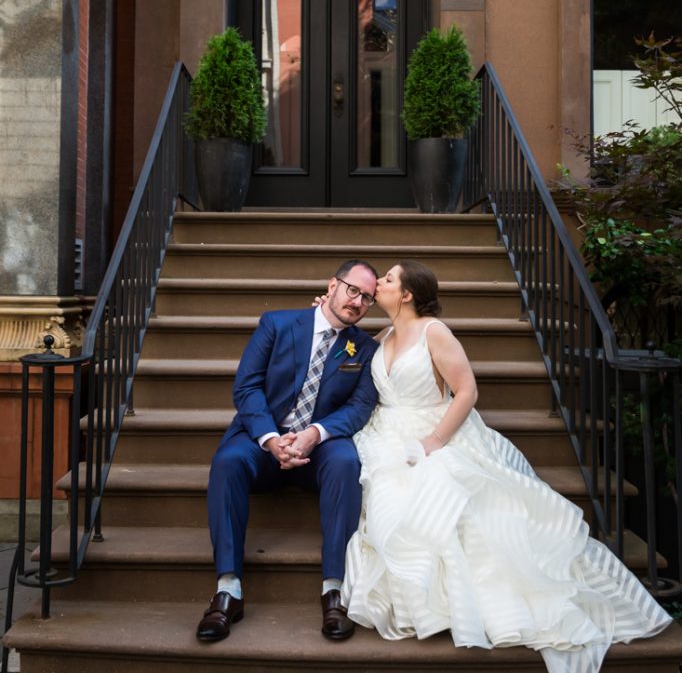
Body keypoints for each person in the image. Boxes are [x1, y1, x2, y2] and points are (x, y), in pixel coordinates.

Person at [341, 260, 672, 673]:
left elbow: (466, 391)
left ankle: (467, 602)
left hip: (434, 430)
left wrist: (434, 442)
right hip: (384, 434)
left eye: (387, 279)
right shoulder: (383, 334)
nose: (379, 285)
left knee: (444, 494)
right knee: (385, 496)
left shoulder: (434, 331)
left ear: (406, 294)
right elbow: (346, 358)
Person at [196, 259, 379, 644]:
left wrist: (314, 433)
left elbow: (359, 408)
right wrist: (270, 438)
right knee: (227, 461)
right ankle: (228, 589)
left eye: (368, 298)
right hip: (263, 439)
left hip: (320, 448)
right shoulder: (276, 324)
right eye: (353, 290)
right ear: (332, 285)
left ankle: (334, 591)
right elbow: (247, 387)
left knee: (347, 462)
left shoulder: (364, 349)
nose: (358, 301)